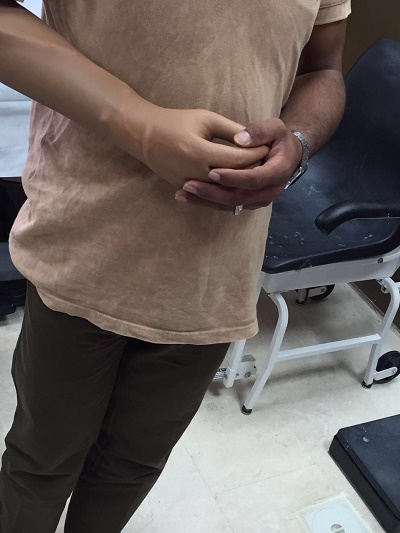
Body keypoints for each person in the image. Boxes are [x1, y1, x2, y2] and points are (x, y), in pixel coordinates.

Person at [0, 0, 351, 531]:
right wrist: (139, 126)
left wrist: (297, 142)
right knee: (41, 462)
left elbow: (322, 69)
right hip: (84, 248)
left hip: (216, 270)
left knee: (132, 465)